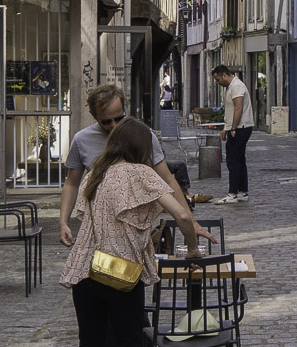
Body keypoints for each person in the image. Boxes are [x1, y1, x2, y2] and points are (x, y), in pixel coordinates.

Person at [60, 118, 214, 347]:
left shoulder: (95, 174)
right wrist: (192, 248)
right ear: (142, 146)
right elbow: (181, 215)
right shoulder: (141, 173)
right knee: (129, 340)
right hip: (121, 272)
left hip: (84, 273)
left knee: (91, 340)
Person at [61, 84, 185, 247]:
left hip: (137, 228)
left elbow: (167, 180)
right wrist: (63, 222)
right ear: (94, 115)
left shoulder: (143, 135)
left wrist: (190, 221)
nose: (114, 125)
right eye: (106, 121)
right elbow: (72, 183)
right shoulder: (82, 139)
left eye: (119, 118)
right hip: (99, 229)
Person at [213, 64, 250, 203]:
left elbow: (238, 108)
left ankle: (233, 193)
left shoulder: (236, 86)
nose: (217, 82)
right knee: (239, 159)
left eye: (217, 79)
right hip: (237, 127)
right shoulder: (231, 87)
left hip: (241, 127)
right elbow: (230, 110)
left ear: (224, 75)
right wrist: (226, 127)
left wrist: (233, 128)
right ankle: (242, 191)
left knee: (233, 160)